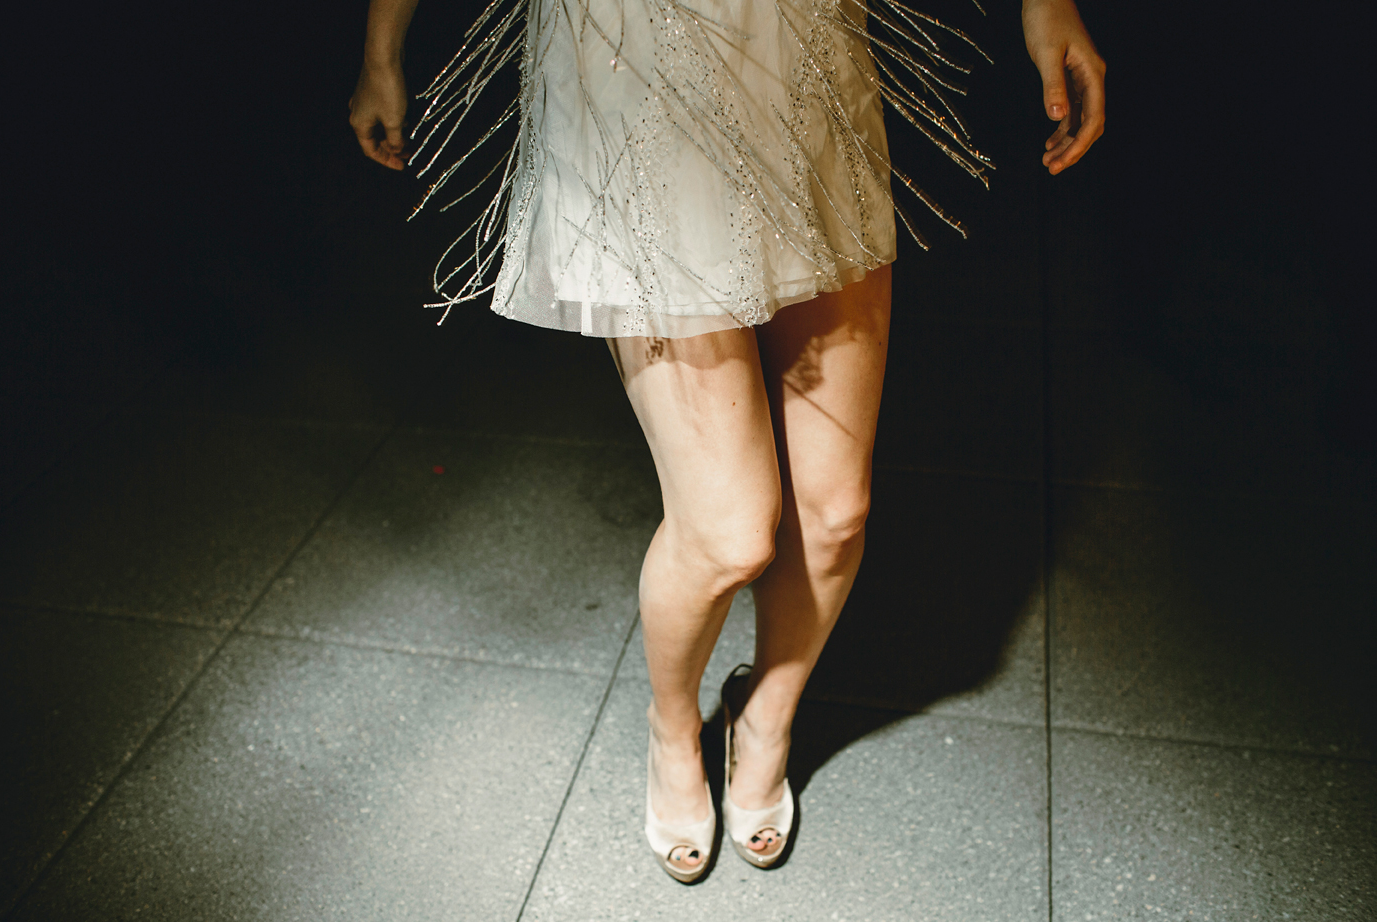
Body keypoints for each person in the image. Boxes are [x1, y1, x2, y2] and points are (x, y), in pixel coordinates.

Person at [350, 0, 1103, 883]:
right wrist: (381, 45)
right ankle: (673, 728)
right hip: (633, 65)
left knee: (835, 514)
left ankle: (766, 716)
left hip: (802, 45)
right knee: (728, 532)